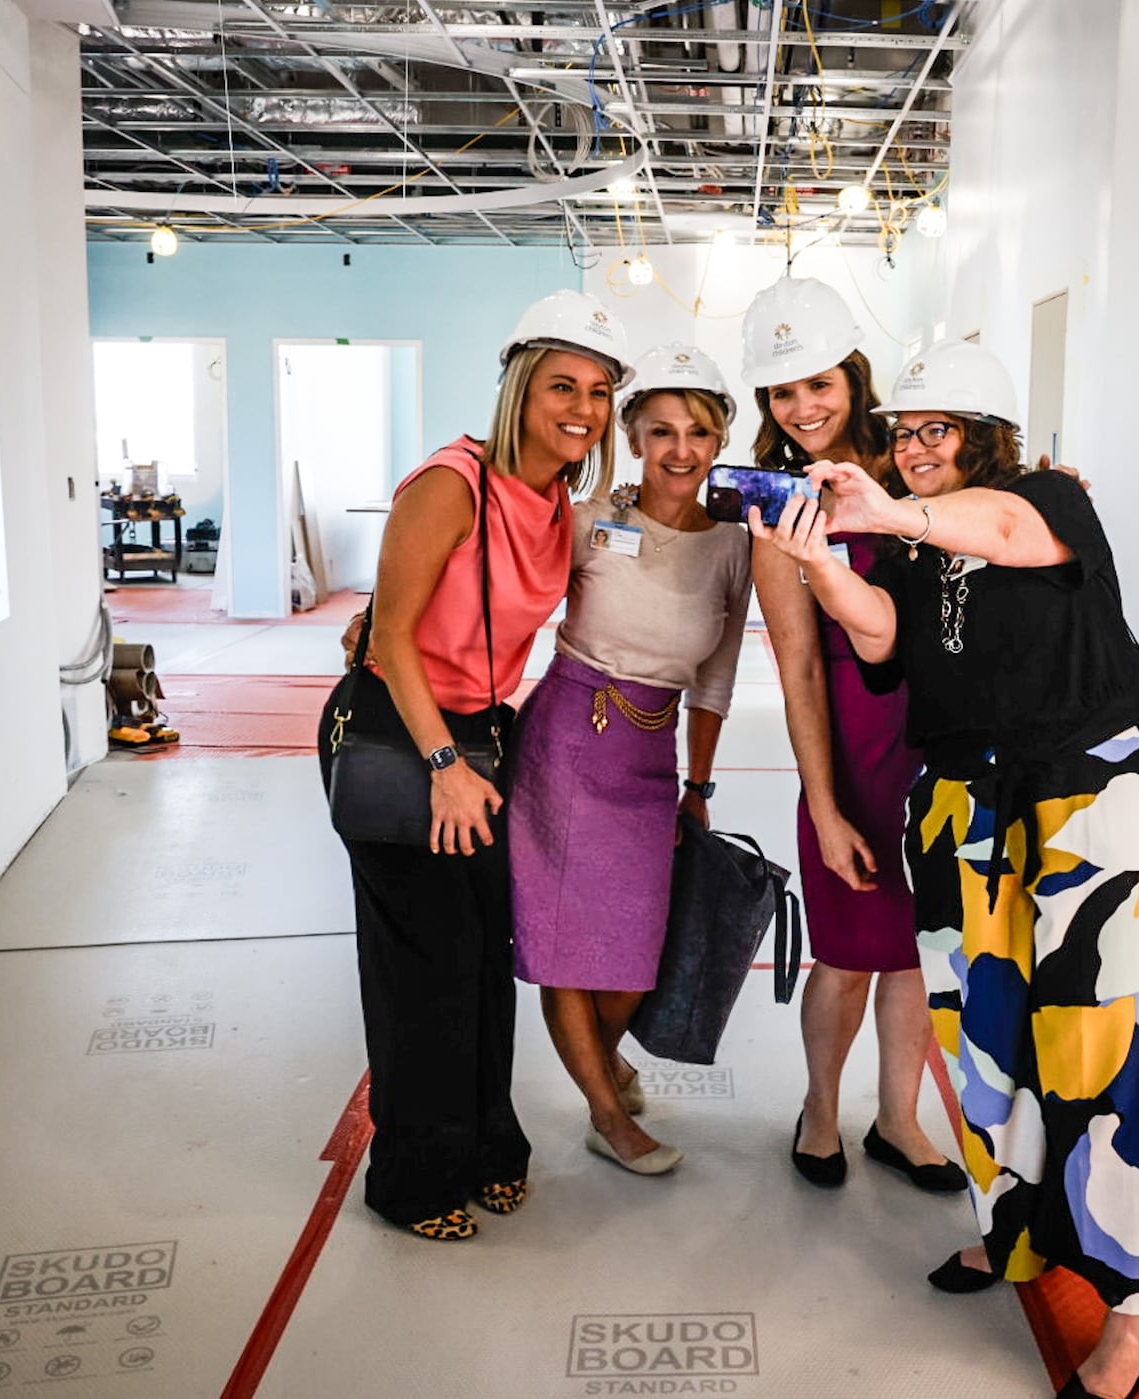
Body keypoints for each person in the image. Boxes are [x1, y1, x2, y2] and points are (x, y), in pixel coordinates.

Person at [753, 339, 1139, 1399]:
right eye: (902, 433)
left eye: (933, 430)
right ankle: (1017, 1231)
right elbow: (881, 640)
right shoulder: (906, 544)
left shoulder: (1042, 497)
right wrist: (818, 560)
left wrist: (889, 510)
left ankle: (1134, 1314)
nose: (911, 449)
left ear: (987, 438)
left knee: (1106, 1041)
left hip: (1096, 795)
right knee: (985, 1037)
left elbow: (1007, 535)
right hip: (963, 802)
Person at [318, 288, 631, 1240]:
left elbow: (674, 508)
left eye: (600, 390)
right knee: (426, 969)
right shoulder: (450, 482)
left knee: (486, 962)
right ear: (516, 389)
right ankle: (413, 1178)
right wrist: (446, 762)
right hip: (402, 732)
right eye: (560, 385)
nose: (582, 406)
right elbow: (392, 641)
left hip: (479, 739)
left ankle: (491, 1145)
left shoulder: (554, 501)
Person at [740, 275, 964, 1193]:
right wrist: (824, 808)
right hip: (850, 749)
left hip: (936, 742)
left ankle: (900, 1120)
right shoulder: (777, 504)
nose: (802, 408)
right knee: (843, 953)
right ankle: (823, 1113)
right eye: (782, 393)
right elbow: (796, 667)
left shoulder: (910, 467)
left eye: (817, 383)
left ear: (854, 376)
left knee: (914, 951)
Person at [510, 343, 752, 1175]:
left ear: (719, 441)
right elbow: (507, 589)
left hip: (653, 750)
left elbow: (716, 675)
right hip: (569, 738)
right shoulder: (589, 520)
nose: (679, 450)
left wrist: (699, 784)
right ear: (635, 437)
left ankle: (601, 1063)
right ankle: (607, 1113)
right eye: (659, 432)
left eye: (696, 432)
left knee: (634, 948)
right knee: (568, 938)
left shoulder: (732, 544)